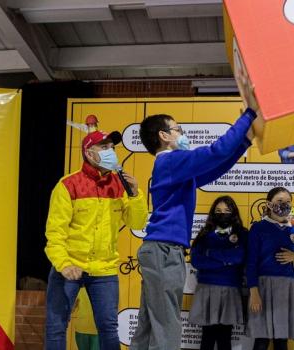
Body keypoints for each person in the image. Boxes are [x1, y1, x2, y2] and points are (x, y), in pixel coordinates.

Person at [130, 108, 255, 350]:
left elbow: (215, 166)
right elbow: (215, 151)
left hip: (159, 251)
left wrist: (245, 142)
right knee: (166, 326)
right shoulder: (170, 161)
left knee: (148, 325)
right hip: (164, 252)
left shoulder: (175, 168)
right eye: (179, 129)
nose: (183, 134)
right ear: (164, 136)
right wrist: (248, 115)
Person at [43, 130, 148, 350]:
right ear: (89, 153)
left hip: (104, 269)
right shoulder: (68, 185)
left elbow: (137, 223)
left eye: (112, 147)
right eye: (104, 147)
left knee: (109, 327)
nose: (111, 152)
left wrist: (136, 195)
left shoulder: (120, 185)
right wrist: (63, 264)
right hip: (69, 266)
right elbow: (55, 233)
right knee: (56, 327)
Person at [246, 187, 294, 350]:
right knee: (262, 340)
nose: (284, 205)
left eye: (288, 202)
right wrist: (254, 292)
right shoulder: (258, 228)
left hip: (286, 289)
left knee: (281, 340)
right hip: (263, 287)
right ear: (269, 204)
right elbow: (251, 262)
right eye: (280, 201)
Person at [189, 196, 248, 350]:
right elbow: (196, 260)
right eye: (218, 211)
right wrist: (226, 261)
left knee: (224, 337)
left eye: (227, 211)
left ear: (233, 213)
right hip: (206, 289)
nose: (223, 214)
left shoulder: (242, 233)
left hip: (230, 289)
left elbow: (239, 257)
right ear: (213, 213)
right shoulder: (204, 234)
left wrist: (210, 253)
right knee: (207, 337)